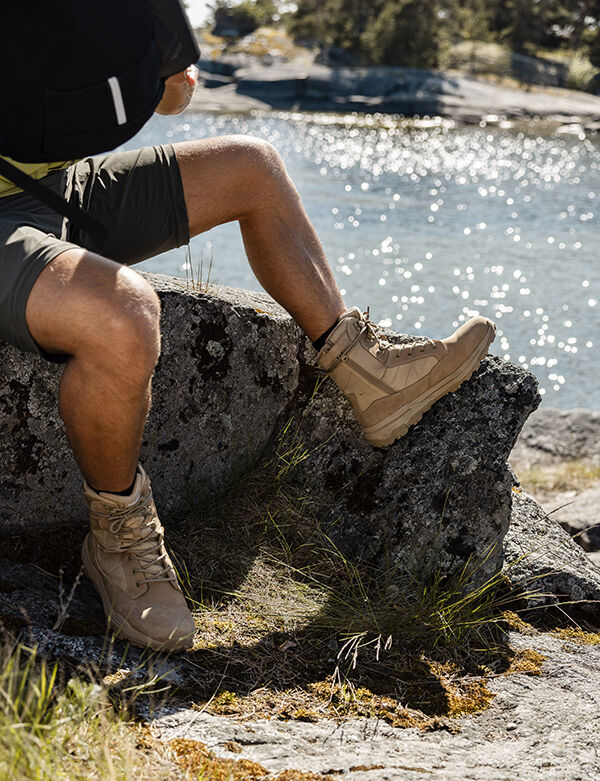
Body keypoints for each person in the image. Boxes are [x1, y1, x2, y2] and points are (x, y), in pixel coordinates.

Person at [0, 66, 495, 652]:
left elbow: (172, 98)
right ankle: (119, 534)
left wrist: (145, 63)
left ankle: (370, 373)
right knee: (125, 314)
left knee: (251, 166)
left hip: (56, 187)